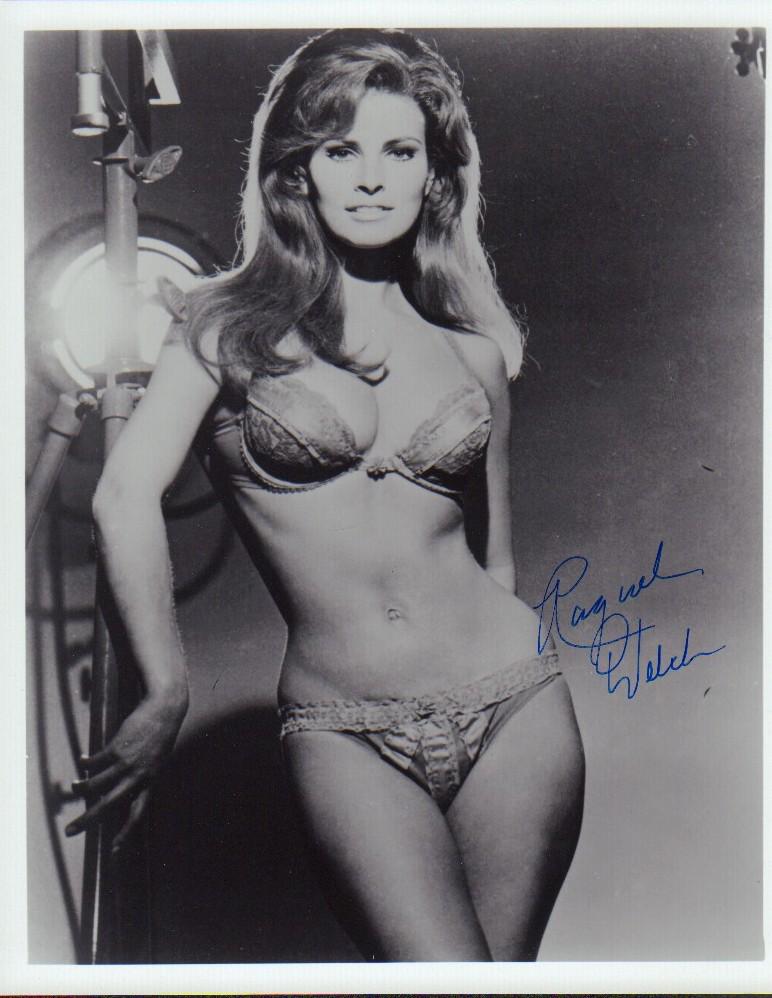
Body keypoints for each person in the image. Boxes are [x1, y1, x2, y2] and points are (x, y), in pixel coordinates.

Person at [67, 28, 585, 961]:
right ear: (298, 171)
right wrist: (166, 687)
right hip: (345, 728)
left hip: (515, 705)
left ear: (435, 175)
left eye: (400, 151)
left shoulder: (474, 356)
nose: (372, 178)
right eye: (341, 151)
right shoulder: (221, 328)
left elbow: (498, 561)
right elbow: (123, 497)